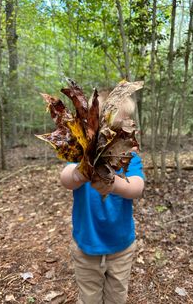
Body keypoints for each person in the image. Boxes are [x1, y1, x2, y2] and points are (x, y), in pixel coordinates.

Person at [60, 94, 145, 304]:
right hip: (87, 245)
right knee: (89, 297)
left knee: (116, 297)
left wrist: (114, 184)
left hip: (120, 248)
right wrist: (79, 173)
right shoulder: (81, 154)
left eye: (118, 130)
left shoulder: (128, 158)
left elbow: (137, 187)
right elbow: (65, 178)